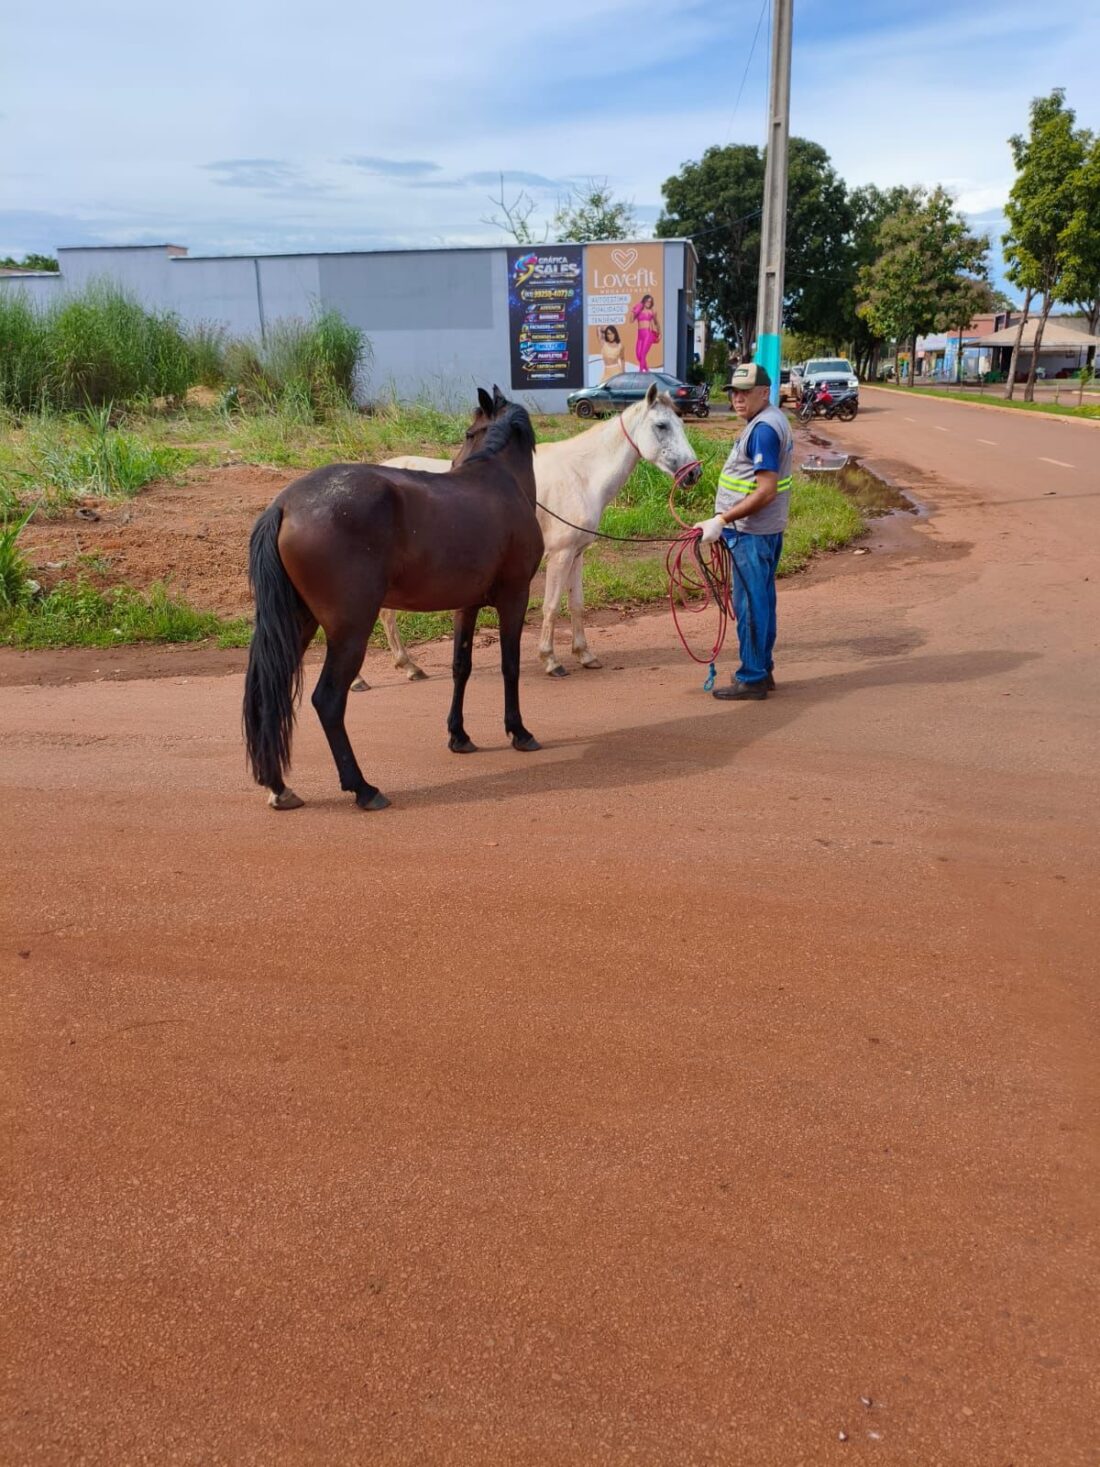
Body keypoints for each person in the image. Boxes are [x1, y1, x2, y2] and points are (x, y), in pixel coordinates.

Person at [693, 362, 793, 701]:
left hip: (750, 533)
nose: (738, 399)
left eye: (745, 392)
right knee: (762, 601)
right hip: (761, 531)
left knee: (750, 605)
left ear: (764, 393)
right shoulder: (768, 421)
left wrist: (722, 520)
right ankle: (762, 670)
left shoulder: (764, 428)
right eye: (734, 392)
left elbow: (765, 490)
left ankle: (752, 678)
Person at [630, 294, 660, 371]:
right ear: (644, 301)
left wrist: (659, 333)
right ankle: (647, 371)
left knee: (643, 354)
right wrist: (633, 311)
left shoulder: (652, 311)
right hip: (640, 334)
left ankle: (640, 372)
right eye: (647, 301)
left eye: (650, 302)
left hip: (647, 334)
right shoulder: (639, 310)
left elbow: (656, 323)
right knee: (638, 355)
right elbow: (631, 320)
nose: (648, 303)